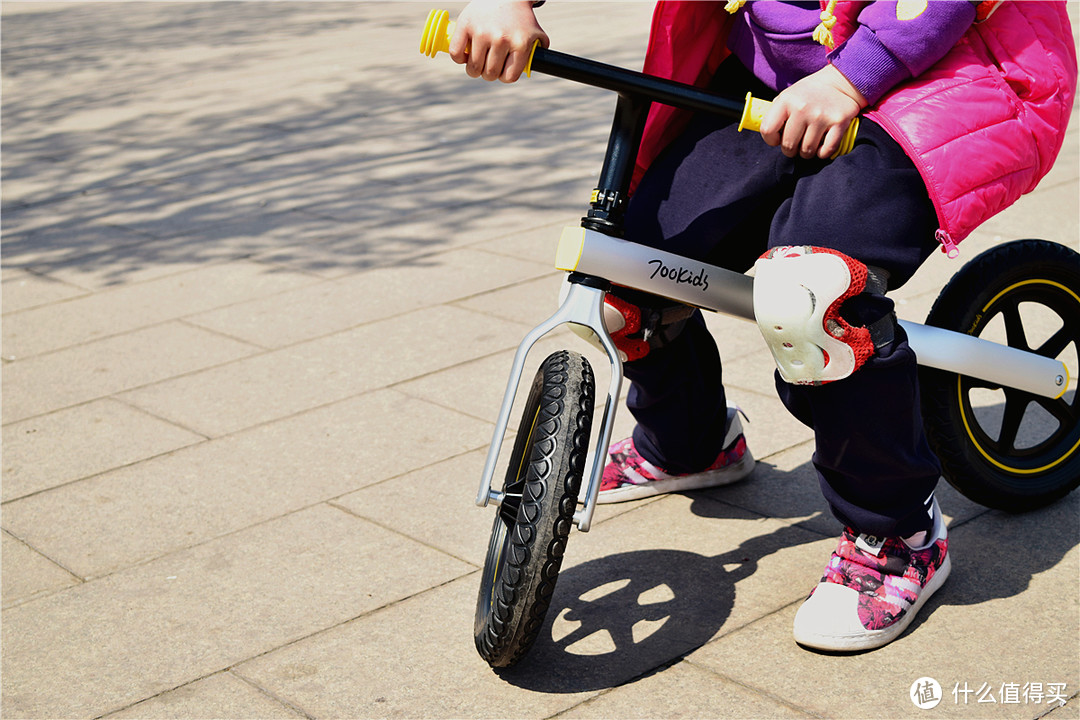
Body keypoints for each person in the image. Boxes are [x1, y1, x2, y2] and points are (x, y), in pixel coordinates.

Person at [448, 0, 1077, 651]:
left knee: (812, 294)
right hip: (777, 78)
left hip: (944, 76)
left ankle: (899, 535)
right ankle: (688, 443)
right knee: (634, 268)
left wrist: (849, 79)